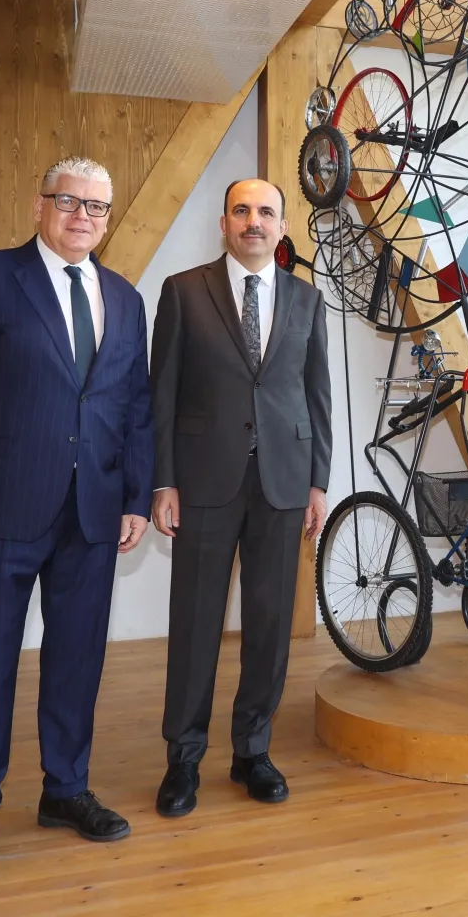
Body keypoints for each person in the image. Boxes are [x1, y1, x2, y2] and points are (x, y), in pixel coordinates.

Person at [0, 157, 153, 882]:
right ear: (39, 206)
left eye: (96, 207)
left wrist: (136, 496)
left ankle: (66, 790)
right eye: (68, 201)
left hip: (92, 514)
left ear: (107, 219)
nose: (83, 216)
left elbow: (135, 407)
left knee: (78, 659)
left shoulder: (125, 299)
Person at [151, 177, 332, 818]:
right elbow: (161, 394)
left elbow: (317, 397)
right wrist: (163, 481)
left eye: (266, 212)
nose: (254, 221)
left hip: (283, 482)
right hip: (203, 480)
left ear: (282, 226)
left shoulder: (308, 300)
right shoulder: (183, 292)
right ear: (224, 223)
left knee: (270, 623)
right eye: (242, 210)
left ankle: (253, 750)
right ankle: (183, 758)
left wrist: (318, 482)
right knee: (195, 622)